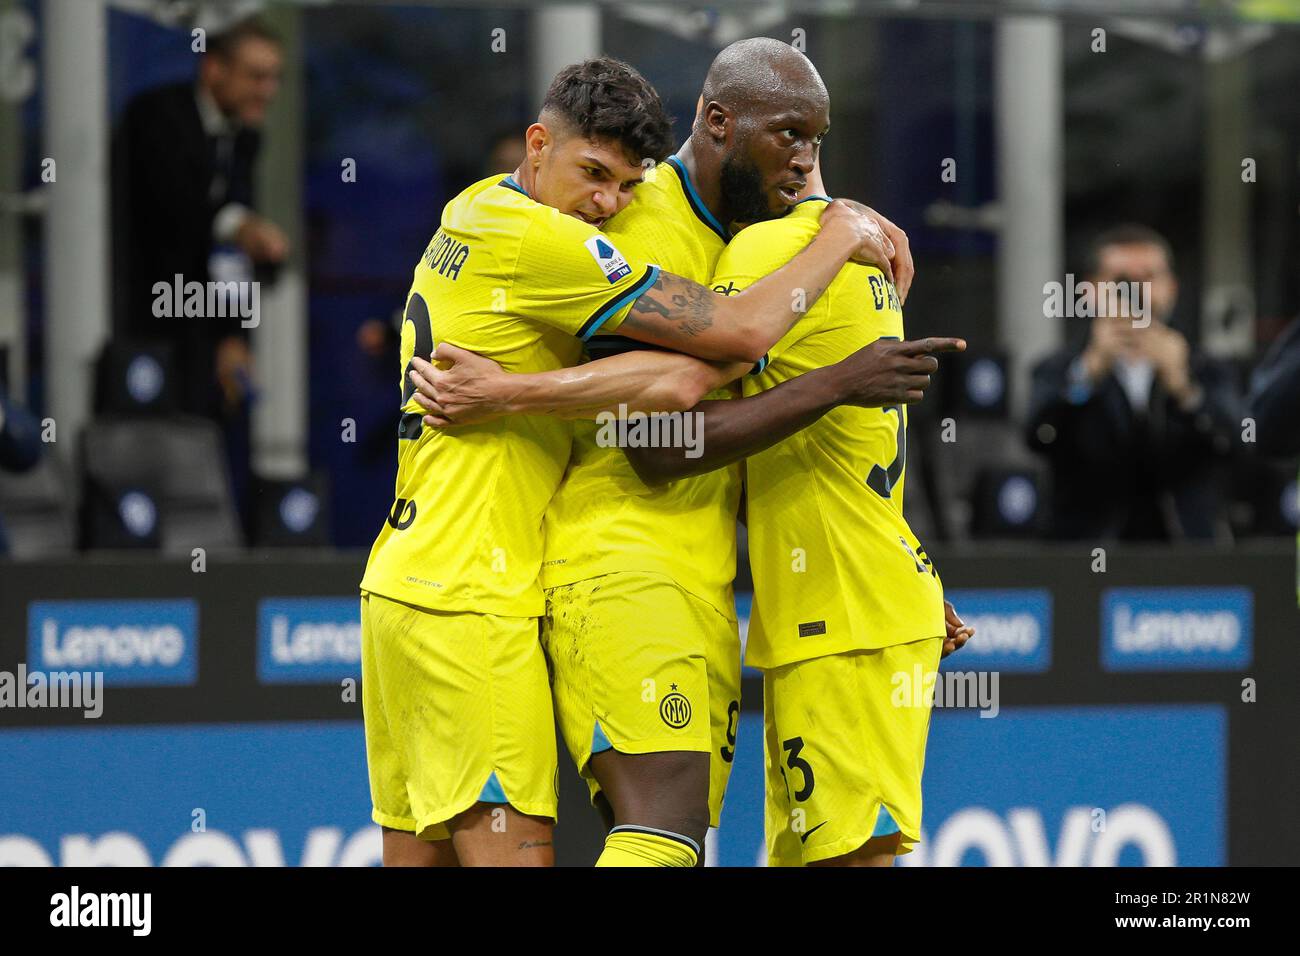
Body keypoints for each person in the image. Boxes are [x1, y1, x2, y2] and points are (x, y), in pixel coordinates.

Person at [407, 39, 951, 867]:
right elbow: (655, 440)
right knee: (663, 828)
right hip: (615, 558)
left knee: (683, 842)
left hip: (706, 581)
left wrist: (892, 565)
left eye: (818, 141)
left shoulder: (778, 234)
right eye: (789, 138)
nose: (806, 164)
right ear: (719, 121)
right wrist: (837, 267)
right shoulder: (625, 217)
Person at [111, 17, 287, 512]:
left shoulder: (244, 139)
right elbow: (171, 217)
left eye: (275, 77)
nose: (268, 91)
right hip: (144, 323)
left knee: (224, 425)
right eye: (257, 76)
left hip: (206, 328)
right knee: (151, 451)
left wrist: (234, 336)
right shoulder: (156, 117)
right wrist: (238, 225)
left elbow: (229, 256)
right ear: (214, 69)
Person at [1026, 224, 1241, 540]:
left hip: (1189, 557)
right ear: (1089, 289)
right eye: (1121, 280)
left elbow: (1237, 444)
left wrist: (1185, 389)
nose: (1136, 292)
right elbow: (1039, 438)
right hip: (1085, 559)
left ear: (1172, 288)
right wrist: (1087, 374)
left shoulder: (1208, 367)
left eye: (1149, 278)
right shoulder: (1058, 368)